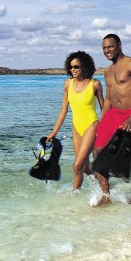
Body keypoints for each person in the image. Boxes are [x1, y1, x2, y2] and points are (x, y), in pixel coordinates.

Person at [93, 34, 131, 206]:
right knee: (98, 152)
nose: (107, 50)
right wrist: (103, 121)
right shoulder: (107, 71)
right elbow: (108, 98)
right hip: (113, 115)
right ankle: (106, 196)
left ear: (119, 45)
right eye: (104, 48)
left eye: (110, 46)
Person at [47, 51, 104, 190]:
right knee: (84, 167)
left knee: (77, 165)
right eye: (71, 67)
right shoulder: (68, 84)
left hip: (92, 125)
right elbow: (63, 110)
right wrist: (54, 132)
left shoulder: (95, 84)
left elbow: (104, 109)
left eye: (76, 66)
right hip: (76, 128)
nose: (73, 69)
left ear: (84, 66)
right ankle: (102, 184)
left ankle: (74, 194)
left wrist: (107, 131)